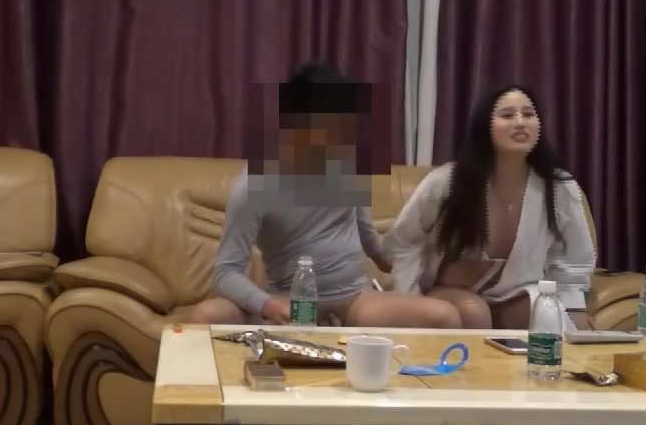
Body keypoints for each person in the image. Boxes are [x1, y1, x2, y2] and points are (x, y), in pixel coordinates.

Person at [188, 63, 462, 329]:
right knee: (205, 316)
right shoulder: (253, 185)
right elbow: (226, 272)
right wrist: (268, 306)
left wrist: (403, 264)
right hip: (291, 300)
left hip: (355, 299)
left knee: (445, 316)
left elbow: (366, 234)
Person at [382, 84, 596, 330]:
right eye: (507, 115)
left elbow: (572, 258)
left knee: (547, 317)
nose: (520, 122)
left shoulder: (559, 187)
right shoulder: (447, 181)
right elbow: (403, 241)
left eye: (528, 114)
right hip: (447, 292)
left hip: (514, 293)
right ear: (485, 127)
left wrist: (574, 310)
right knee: (474, 313)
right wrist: (412, 298)